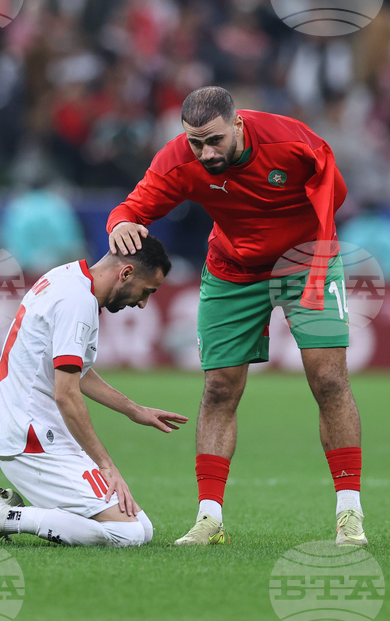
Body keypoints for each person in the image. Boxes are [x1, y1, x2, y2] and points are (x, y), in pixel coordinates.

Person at [107, 86, 366, 546]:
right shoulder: (178, 159)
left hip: (307, 259)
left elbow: (336, 193)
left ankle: (350, 513)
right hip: (233, 269)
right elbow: (133, 207)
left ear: (239, 124)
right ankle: (210, 519)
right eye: (195, 143)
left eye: (215, 141)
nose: (206, 153)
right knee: (220, 387)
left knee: (328, 379)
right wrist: (121, 223)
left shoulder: (292, 143)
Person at [0, 238, 188, 548]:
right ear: (126, 273)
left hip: (44, 435)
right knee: (127, 534)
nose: (142, 303)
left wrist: (132, 409)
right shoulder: (78, 302)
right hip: (32, 441)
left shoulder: (68, 278)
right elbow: (66, 393)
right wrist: (106, 464)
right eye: (146, 291)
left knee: (142, 528)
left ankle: (16, 514)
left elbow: (77, 371)